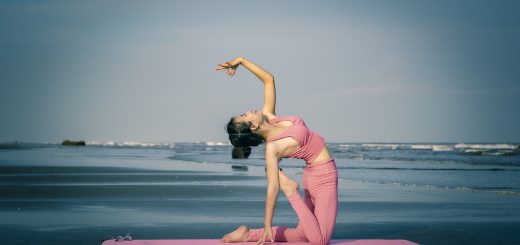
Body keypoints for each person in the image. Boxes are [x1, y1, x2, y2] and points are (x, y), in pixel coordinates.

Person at [216, 57, 338, 245]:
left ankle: (247, 235)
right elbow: (272, 187)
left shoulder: (271, 117)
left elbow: (268, 80)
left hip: (313, 175)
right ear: (253, 126)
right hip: (325, 176)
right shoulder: (272, 147)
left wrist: (240, 61)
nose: (248, 110)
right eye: (244, 115)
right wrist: (267, 222)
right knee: (319, 241)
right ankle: (290, 190)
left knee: (303, 235)